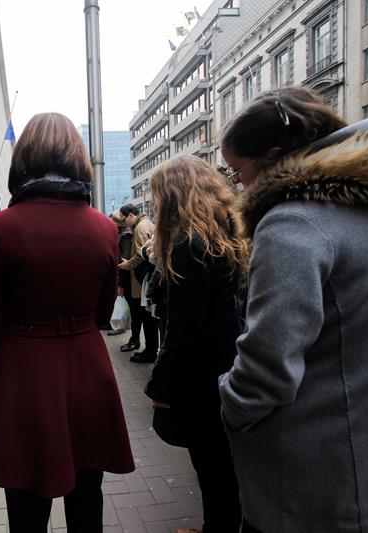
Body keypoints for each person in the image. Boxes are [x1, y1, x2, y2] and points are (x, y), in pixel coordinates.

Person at [217, 86, 368, 532]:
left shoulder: (293, 223)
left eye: (237, 171)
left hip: (313, 492)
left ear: (273, 156)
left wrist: (230, 406)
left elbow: (267, 366)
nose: (237, 184)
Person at [0, 112, 135, 533]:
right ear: (78, 159)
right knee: (88, 493)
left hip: (23, 367)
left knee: (26, 501)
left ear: (24, 159)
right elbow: (104, 313)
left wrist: (16, 342)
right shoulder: (104, 228)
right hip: (88, 367)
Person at [144, 155, 247, 533]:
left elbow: (182, 331)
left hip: (202, 377)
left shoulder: (189, 245)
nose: (154, 206)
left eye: (157, 197)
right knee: (225, 467)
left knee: (213, 467)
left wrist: (161, 386)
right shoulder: (227, 234)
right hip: (228, 364)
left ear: (173, 196)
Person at [118, 203, 158, 363]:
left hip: (143, 279)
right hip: (148, 277)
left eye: (123, 219)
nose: (123, 223)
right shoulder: (148, 224)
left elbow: (143, 253)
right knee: (149, 318)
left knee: (147, 318)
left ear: (130, 216)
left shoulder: (140, 228)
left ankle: (150, 351)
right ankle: (150, 350)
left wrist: (129, 264)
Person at [107, 211, 132, 337]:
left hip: (123, 275)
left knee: (123, 301)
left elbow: (124, 260)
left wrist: (121, 283)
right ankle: (115, 323)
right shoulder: (118, 234)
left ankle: (121, 326)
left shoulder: (125, 236)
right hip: (119, 273)